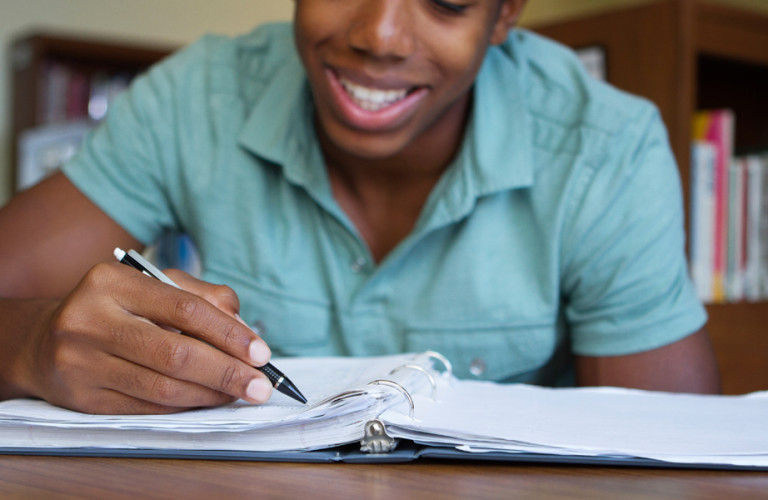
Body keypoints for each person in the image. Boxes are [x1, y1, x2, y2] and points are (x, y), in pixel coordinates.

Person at [0, 0, 720, 415]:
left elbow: (664, 445)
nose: (378, 35)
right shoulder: (195, 98)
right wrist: (32, 344)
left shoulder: (606, 149)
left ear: (505, 15)